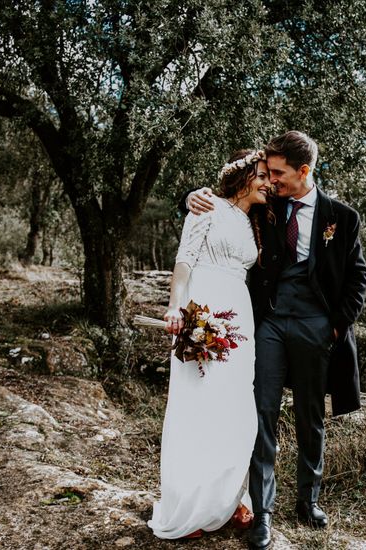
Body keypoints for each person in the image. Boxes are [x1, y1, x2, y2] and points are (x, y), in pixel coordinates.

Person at [183, 131, 366, 550]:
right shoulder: (269, 205)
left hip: (315, 325)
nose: (271, 179)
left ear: (305, 171)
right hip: (266, 323)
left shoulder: (342, 216)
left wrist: (336, 326)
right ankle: (262, 512)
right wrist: (190, 197)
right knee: (261, 411)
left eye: (278, 173)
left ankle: (309, 500)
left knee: (310, 415)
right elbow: (225, 203)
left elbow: (359, 276)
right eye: (267, 172)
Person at [147, 149, 272, 540]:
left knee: (235, 410)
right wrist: (175, 308)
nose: (269, 183)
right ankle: (190, 505)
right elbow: (184, 262)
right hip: (203, 308)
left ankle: (228, 499)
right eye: (263, 175)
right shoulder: (206, 205)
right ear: (243, 174)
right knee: (199, 406)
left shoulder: (256, 223)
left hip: (239, 316)